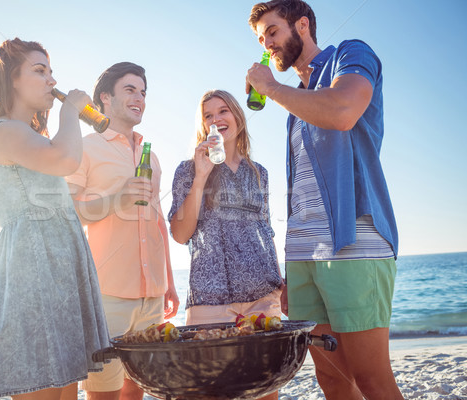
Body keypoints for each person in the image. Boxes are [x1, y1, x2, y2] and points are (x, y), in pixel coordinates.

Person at [246, 2, 403, 399]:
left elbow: (344, 110)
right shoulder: (293, 104)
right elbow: (301, 192)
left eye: (273, 32)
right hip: (304, 255)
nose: (268, 44)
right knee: (331, 378)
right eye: (261, 39)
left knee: (372, 379)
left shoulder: (351, 55)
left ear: (302, 25)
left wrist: (271, 88)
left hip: (354, 242)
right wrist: (291, 268)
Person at [0, 38, 110, 400]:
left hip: (60, 271)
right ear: (11, 79)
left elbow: (63, 203)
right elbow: (65, 159)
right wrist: (72, 112)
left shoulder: (35, 135)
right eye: (39, 71)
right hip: (31, 272)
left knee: (67, 390)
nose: (52, 80)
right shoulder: (3, 131)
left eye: (52, 72)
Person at [65, 62, 180, 400]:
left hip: (152, 296)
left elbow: (157, 223)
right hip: (107, 294)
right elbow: (68, 214)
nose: (139, 98)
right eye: (130, 90)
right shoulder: (85, 147)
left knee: (138, 390)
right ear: (105, 98)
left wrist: (169, 284)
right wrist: (119, 198)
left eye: (143, 92)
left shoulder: (152, 157)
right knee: (105, 394)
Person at [169, 89, 283, 400]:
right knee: (211, 391)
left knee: (266, 391)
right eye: (208, 115)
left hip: (263, 297)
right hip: (210, 300)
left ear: (237, 117)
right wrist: (201, 177)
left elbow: (267, 231)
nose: (217, 119)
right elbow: (180, 234)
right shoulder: (188, 169)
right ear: (203, 125)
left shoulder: (259, 174)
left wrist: (281, 286)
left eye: (223, 111)